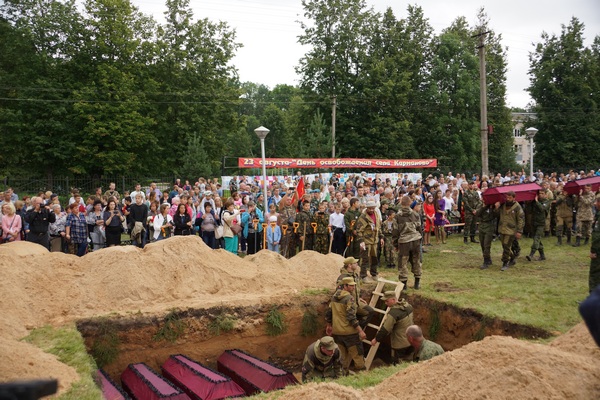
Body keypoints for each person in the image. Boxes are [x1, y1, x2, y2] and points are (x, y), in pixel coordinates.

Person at [325, 277, 366, 375]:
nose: (353, 287)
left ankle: (343, 376)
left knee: (341, 357)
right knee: (358, 356)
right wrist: (360, 330)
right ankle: (363, 377)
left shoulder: (334, 297)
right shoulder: (349, 298)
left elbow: (329, 313)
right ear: (345, 286)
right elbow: (351, 317)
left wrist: (329, 325)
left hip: (337, 332)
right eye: (351, 285)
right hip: (350, 333)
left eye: (353, 285)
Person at [370, 291, 414, 364]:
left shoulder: (393, 313)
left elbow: (385, 330)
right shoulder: (408, 306)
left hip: (399, 345)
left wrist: (376, 339)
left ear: (393, 300)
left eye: (387, 301)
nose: (385, 303)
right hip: (411, 341)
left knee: (396, 364)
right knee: (409, 362)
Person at [392, 195, 423, 290]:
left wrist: (395, 244)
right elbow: (419, 228)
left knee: (403, 263)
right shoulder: (416, 214)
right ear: (410, 203)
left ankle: (404, 285)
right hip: (415, 240)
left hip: (404, 241)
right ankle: (417, 283)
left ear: (401, 203)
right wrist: (420, 240)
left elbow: (395, 231)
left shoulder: (397, 216)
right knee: (416, 261)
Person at [336, 256, 375, 329]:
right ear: (350, 265)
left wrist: (359, 298)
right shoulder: (342, 277)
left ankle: (358, 328)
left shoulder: (355, 275)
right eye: (355, 263)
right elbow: (339, 294)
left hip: (357, 302)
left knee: (370, 311)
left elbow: (356, 289)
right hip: (348, 304)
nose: (357, 264)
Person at [355, 200, 383, 283]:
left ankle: (374, 273)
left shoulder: (376, 215)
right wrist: (361, 241)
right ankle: (363, 275)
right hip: (366, 241)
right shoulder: (363, 217)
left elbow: (378, 227)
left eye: (373, 208)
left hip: (374, 240)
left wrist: (381, 237)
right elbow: (359, 230)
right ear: (367, 208)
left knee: (374, 258)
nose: (371, 210)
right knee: (365, 259)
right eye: (370, 208)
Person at [496, 191, 525, 271]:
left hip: (511, 230)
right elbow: (496, 215)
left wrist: (519, 231)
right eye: (507, 197)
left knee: (506, 245)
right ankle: (512, 257)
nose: (508, 199)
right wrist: (496, 208)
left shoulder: (517, 207)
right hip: (502, 228)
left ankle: (505, 262)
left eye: (510, 198)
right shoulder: (503, 205)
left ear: (513, 198)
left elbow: (521, 219)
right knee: (505, 246)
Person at [526, 190, 551, 261]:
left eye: (542, 193)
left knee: (537, 238)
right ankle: (542, 255)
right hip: (534, 222)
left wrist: (536, 202)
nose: (540, 195)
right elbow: (529, 211)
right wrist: (528, 203)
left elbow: (542, 209)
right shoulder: (534, 202)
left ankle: (531, 254)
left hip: (541, 223)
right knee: (536, 239)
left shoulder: (547, 202)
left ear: (545, 195)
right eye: (539, 193)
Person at [475, 202, 498, 269]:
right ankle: (488, 258)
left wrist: (495, 208)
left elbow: (496, 215)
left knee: (486, 244)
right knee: (482, 244)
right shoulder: (480, 205)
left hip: (489, 226)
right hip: (481, 226)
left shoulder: (492, 206)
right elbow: (477, 213)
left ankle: (486, 261)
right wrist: (483, 207)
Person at [588, 193, 600, 293]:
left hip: (598, 250)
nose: (595, 204)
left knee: (595, 273)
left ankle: (592, 297)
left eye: (597, 202)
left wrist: (593, 251)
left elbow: (597, 236)